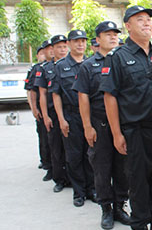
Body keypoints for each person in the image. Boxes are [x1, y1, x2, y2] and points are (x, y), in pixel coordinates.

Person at [99, 5, 152, 230]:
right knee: (139, 184)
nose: (147, 23)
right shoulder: (118, 57)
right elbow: (110, 97)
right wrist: (117, 133)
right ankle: (140, 224)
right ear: (128, 26)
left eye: (148, 19)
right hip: (136, 131)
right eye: (140, 20)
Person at [73, 21, 130, 229]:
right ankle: (106, 208)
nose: (113, 37)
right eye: (107, 34)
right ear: (97, 39)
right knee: (102, 168)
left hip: (124, 123)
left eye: (115, 34)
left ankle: (120, 206)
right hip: (100, 124)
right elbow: (83, 98)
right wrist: (87, 126)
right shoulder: (89, 65)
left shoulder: (125, 61)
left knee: (123, 169)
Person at [51, 30, 95, 207]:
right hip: (71, 115)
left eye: (83, 41)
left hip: (91, 116)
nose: (80, 44)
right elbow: (56, 94)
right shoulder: (61, 66)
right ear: (69, 44)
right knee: (74, 155)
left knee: (91, 154)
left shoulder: (92, 63)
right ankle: (79, 192)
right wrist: (61, 119)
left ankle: (92, 189)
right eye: (76, 41)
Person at [34, 35, 69, 193]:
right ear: (52, 50)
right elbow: (42, 94)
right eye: (58, 47)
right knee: (55, 147)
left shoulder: (73, 65)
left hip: (69, 112)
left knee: (72, 149)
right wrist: (45, 115)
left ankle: (74, 179)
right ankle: (59, 179)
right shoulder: (45, 69)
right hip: (53, 114)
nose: (62, 50)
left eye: (64, 47)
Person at [25, 42, 50, 180]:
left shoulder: (55, 66)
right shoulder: (36, 69)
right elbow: (31, 90)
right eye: (41, 52)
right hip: (42, 109)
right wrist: (34, 108)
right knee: (44, 137)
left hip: (55, 109)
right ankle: (45, 162)